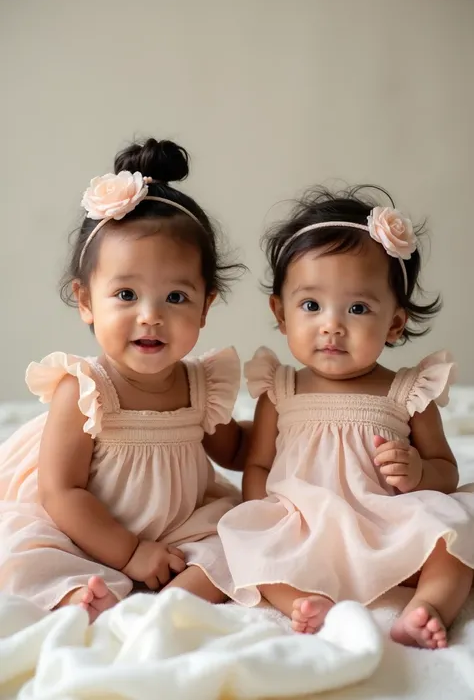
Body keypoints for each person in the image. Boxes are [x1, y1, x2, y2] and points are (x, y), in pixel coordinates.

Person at [213, 185, 474, 649]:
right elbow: (257, 463)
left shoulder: (409, 392)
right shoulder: (281, 389)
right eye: (311, 305)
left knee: (458, 523)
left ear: (395, 323)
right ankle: (299, 600)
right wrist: (263, 510)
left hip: (386, 519)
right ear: (281, 313)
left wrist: (419, 474)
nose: (332, 324)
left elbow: (447, 471)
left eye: (357, 308)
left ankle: (427, 606)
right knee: (241, 539)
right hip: (303, 524)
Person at [0, 138, 247, 622]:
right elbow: (62, 492)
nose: (150, 316)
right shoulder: (85, 389)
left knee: (242, 533)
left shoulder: (201, 386)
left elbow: (237, 451)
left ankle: (184, 594)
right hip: (84, 526)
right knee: (26, 545)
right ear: (86, 301)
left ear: (206, 305)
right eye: (127, 294)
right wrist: (130, 552)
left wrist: (294, 427)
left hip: (177, 527)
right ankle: (81, 590)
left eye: (176, 297)